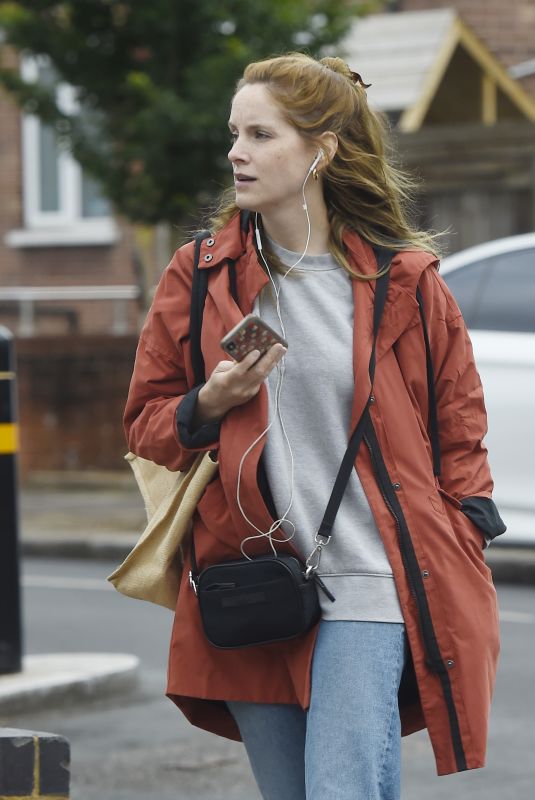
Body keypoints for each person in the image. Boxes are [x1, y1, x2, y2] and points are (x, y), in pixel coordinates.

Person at [123, 52, 506, 799]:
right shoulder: (200, 276)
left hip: (372, 578)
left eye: (261, 135)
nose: (237, 152)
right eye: (234, 133)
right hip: (249, 581)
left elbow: (458, 430)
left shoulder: (405, 280)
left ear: (321, 150)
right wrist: (213, 399)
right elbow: (145, 424)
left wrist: (464, 529)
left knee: (342, 790)